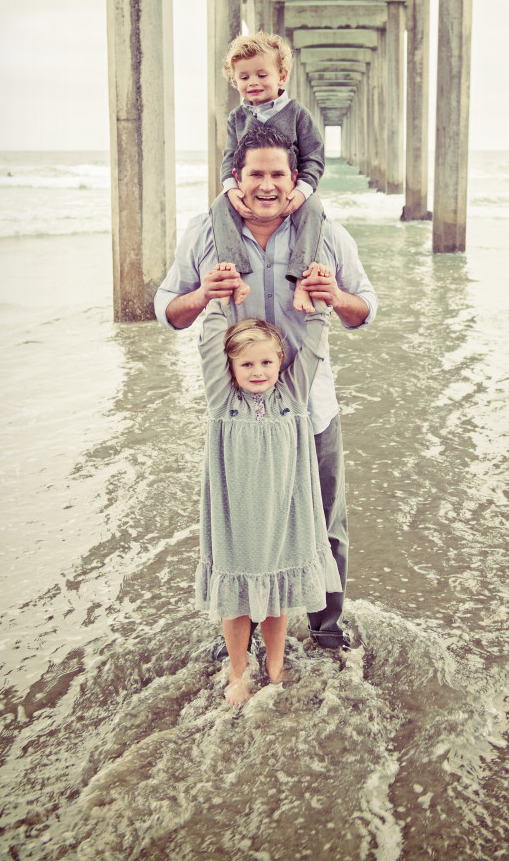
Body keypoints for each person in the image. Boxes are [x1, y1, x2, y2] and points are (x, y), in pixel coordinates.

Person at [155, 123, 377, 651]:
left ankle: (326, 630)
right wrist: (204, 293)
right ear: (237, 177)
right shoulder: (205, 233)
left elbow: (364, 310)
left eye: (279, 173)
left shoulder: (327, 234)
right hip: (239, 410)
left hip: (312, 401)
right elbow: (167, 309)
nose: (267, 184)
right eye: (256, 173)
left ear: (295, 177)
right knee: (243, 522)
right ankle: (244, 631)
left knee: (326, 520)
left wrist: (336, 295)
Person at [197, 263, 341, 705]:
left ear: (280, 362)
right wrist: (222, 302)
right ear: (231, 367)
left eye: (266, 362)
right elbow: (209, 345)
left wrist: (313, 305)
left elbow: (314, 346)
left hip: (283, 515)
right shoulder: (225, 401)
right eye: (246, 363)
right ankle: (238, 672)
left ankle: (274, 669)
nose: (257, 371)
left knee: (277, 596)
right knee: (238, 599)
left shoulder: (293, 396)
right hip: (236, 518)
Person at [210, 30, 325, 313]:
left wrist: (303, 191)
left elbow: (314, 157)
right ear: (234, 80)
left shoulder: (297, 114)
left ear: (281, 77)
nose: (253, 83)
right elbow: (229, 157)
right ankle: (234, 274)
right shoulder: (237, 117)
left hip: (291, 190)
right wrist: (230, 188)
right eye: (244, 77)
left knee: (314, 209)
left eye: (262, 74)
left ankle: (300, 279)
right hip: (251, 191)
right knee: (218, 206)